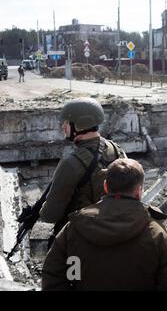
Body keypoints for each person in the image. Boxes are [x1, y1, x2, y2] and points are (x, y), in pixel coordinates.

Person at [41, 158, 167, 291]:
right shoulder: (157, 233)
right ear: (139, 191)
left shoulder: (74, 227)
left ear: (105, 186)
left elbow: (52, 274)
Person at [40, 97, 126, 240]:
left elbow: (50, 215)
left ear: (79, 125)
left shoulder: (71, 163)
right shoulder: (116, 150)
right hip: (117, 229)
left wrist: (41, 211)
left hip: (85, 237)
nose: (63, 127)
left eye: (66, 123)